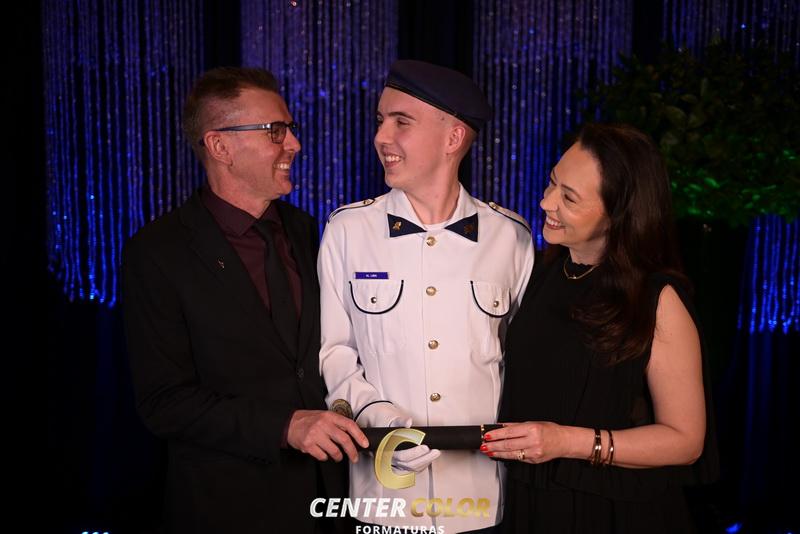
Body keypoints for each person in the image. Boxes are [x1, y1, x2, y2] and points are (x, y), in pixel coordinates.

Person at [122, 66, 367, 534]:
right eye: (275, 130)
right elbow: (164, 401)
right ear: (220, 146)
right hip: (229, 507)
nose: (294, 144)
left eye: (290, 128)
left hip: (332, 503)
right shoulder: (158, 253)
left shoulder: (309, 231)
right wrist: (285, 426)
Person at [317, 60, 535, 533]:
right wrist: (378, 420)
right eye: (380, 120)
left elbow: (524, 362)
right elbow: (334, 352)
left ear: (453, 138)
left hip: (480, 501)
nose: (381, 137)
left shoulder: (512, 238)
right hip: (383, 500)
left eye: (402, 122)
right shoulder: (347, 230)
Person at [481, 123, 719, 533]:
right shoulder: (542, 275)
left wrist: (565, 442)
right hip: (531, 503)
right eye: (552, 183)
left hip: (613, 512)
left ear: (618, 215)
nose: (546, 201)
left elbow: (686, 441)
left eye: (569, 198)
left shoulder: (657, 298)